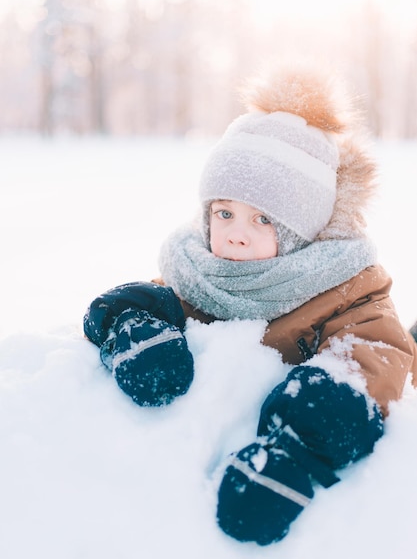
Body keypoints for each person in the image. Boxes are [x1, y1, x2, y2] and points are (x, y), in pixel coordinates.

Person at [83, 64, 417, 546]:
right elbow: (160, 298)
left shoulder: (344, 292)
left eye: (264, 219)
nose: (236, 234)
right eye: (224, 213)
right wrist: (131, 321)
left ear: (303, 233)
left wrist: (296, 450)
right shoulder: (204, 270)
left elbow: (369, 363)